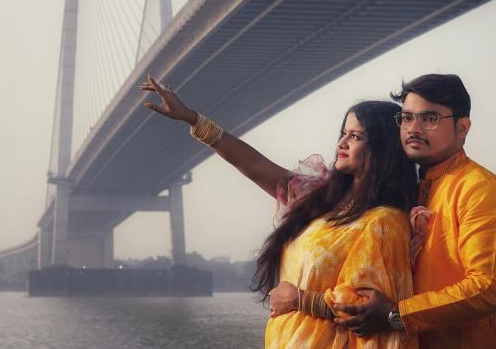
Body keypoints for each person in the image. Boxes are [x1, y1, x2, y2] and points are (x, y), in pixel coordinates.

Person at [140, 75, 419, 349]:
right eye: (343, 133)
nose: (341, 143)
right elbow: (254, 164)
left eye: (355, 136)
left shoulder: (385, 222)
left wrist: (299, 299)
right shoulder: (321, 201)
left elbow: (366, 311)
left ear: (382, 148)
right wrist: (192, 119)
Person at [332, 74, 496, 349]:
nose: (414, 128)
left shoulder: (480, 190)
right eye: (407, 118)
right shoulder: (415, 189)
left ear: (463, 127)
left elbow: (486, 288)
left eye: (430, 118)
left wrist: (396, 314)